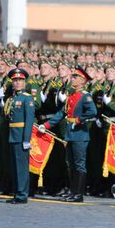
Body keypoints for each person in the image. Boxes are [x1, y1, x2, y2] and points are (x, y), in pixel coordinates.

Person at [39, 65, 97, 202]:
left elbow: (93, 111)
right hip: (70, 133)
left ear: (83, 81)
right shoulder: (72, 95)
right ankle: (72, 191)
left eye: (76, 77)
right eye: (73, 76)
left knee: (79, 164)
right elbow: (62, 113)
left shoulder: (85, 96)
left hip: (80, 134)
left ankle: (79, 194)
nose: (73, 79)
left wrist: (78, 119)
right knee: (70, 164)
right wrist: (47, 125)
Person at [5, 68, 35, 204]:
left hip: (21, 136)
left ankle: (22, 195)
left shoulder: (27, 98)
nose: (17, 83)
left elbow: (29, 120)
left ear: (24, 82)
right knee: (14, 167)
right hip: (12, 135)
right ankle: (16, 192)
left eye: (20, 80)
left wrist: (26, 139)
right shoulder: (12, 98)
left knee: (21, 167)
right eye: (15, 80)